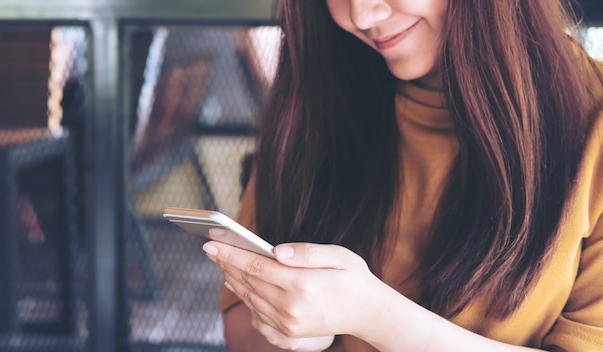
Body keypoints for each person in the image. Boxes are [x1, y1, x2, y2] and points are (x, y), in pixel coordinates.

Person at [201, 0, 603, 351]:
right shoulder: (312, 105)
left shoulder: (592, 124)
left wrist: (376, 317)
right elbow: (238, 325)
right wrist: (288, 333)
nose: (361, 13)